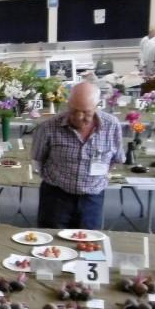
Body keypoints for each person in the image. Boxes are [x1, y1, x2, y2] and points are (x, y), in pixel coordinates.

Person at [31, 81, 124, 229]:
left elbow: (116, 158)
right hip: (56, 197)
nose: (79, 117)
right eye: (74, 110)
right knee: (52, 239)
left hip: (92, 198)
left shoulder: (112, 125)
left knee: (89, 240)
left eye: (86, 112)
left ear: (97, 106)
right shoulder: (48, 127)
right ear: (68, 104)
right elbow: (38, 159)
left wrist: (93, 179)